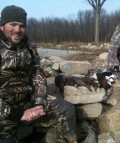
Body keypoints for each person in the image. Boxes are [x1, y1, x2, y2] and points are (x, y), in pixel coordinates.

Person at [0, 5, 77, 143]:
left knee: (67, 109)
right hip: (5, 111)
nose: (17, 30)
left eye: (22, 25)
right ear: (2, 25)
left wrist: (38, 103)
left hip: (28, 103)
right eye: (13, 24)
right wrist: (18, 115)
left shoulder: (30, 47)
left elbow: (38, 76)